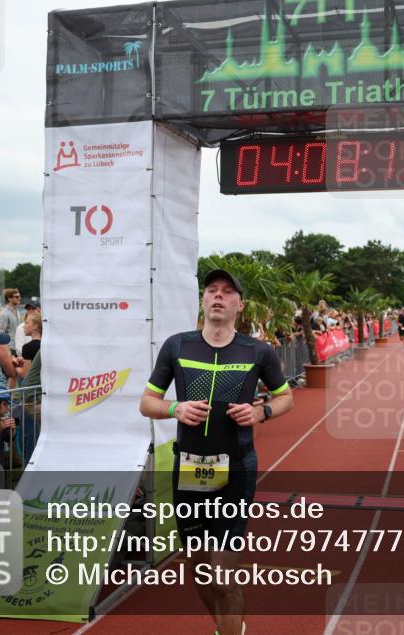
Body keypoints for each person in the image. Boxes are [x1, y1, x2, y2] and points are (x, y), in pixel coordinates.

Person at [139, 269, 295, 635]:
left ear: (239, 305)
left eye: (227, 292)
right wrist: (176, 409)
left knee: (223, 575)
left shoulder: (258, 351)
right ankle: (229, 627)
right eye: (212, 290)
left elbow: (286, 397)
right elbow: (147, 402)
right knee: (200, 570)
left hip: (236, 471)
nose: (219, 296)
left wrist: (261, 411)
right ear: (204, 300)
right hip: (189, 470)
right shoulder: (178, 346)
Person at [17, 311, 41, 380]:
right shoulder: (45, 344)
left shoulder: (28, 347)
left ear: (35, 326)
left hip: (33, 385)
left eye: (27, 323)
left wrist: (13, 366)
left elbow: (24, 374)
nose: (23, 326)